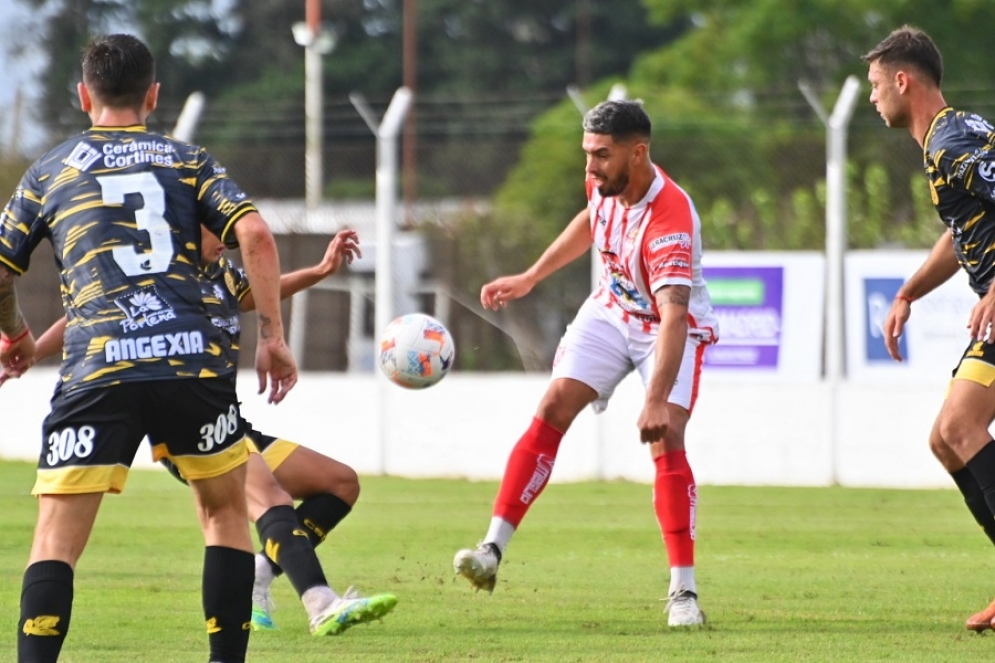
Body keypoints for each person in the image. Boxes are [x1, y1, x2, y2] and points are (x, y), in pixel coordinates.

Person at [0, 34, 299, 663]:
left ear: (84, 95)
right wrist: (272, 336)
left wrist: (17, 336)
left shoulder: (51, 169)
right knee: (223, 517)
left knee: (56, 539)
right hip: (192, 357)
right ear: (154, 96)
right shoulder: (188, 160)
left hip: (99, 364)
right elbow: (256, 235)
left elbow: (1, 271)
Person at [9, 228, 397, 636]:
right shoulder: (158, 270)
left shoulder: (222, 275)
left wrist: (320, 271)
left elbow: (260, 292)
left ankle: (259, 573)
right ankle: (321, 603)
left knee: (340, 484)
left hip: (228, 420)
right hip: (186, 425)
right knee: (269, 498)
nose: (227, 240)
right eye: (217, 229)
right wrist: (31, 351)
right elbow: (86, 316)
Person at [452, 100, 719, 627]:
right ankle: (491, 550)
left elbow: (672, 317)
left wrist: (656, 399)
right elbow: (590, 222)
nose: (591, 167)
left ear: (637, 153)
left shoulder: (669, 220)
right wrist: (531, 277)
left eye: (602, 155)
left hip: (668, 328)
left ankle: (683, 593)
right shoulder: (605, 184)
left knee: (667, 438)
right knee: (552, 405)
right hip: (612, 310)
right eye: (587, 154)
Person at [864, 25, 995, 633]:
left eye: (873, 86)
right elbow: (962, 231)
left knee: (958, 426)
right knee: (946, 439)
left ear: (901, 80)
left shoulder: (951, 140)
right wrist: (909, 292)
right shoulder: (944, 143)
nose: (870, 99)